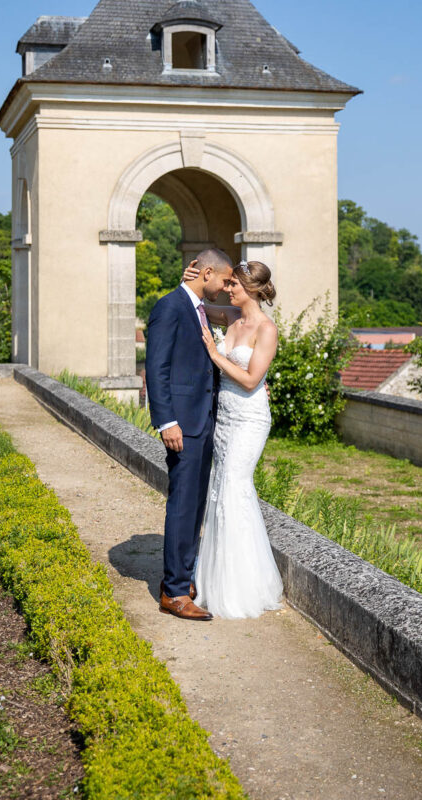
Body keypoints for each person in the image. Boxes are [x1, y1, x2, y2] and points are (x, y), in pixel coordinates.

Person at [184, 258, 284, 619]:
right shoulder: (230, 317)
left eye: (235, 285)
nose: (229, 289)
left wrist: (215, 354)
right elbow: (197, 304)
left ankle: (243, 588)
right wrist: (190, 279)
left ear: (253, 290)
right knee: (219, 490)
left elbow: (250, 380)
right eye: (229, 285)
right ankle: (215, 581)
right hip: (224, 417)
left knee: (234, 488)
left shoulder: (266, 329)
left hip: (250, 418)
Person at [145, 248, 233, 621]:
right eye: (226, 281)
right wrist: (167, 422)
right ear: (207, 272)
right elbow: (156, 366)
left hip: (205, 419)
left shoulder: (197, 307)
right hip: (183, 423)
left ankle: (184, 576)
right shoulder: (170, 307)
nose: (228, 289)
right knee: (183, 504)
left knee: (195, 503)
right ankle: (174, 592)